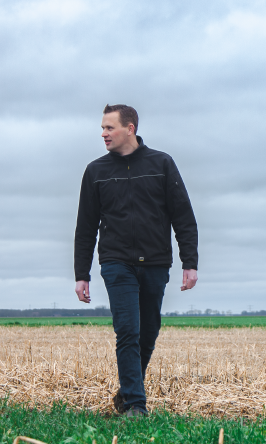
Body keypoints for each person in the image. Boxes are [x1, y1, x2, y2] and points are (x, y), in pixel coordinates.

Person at [73, 104, 199, 417]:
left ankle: (128, 391)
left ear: (130, 128)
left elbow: (183, 215)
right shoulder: (96, 171)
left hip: (156, 261)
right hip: (116, 262)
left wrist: (190, 262)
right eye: (102, 128)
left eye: (109, 128)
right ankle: (135, 405)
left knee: (148, 330)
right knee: (127, 329)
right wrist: (81, 273)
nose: (103, 134)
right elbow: (85, 227)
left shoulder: (162, 163)